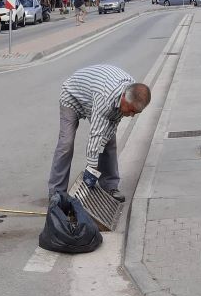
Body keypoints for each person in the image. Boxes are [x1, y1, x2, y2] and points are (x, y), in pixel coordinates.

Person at [47, 65, 151, 202]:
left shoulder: (132, 92)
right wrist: (92, 167)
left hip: (93, 97)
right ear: (124, 96)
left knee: (109, 141)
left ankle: (109, 185)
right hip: (73, 96)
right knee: (66, 143)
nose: (131, 115)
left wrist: (101, 148)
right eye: (131, 110)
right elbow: (96, 134)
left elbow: (110, 127)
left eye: (135, 113)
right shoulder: (106, 98)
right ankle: (57, 192)